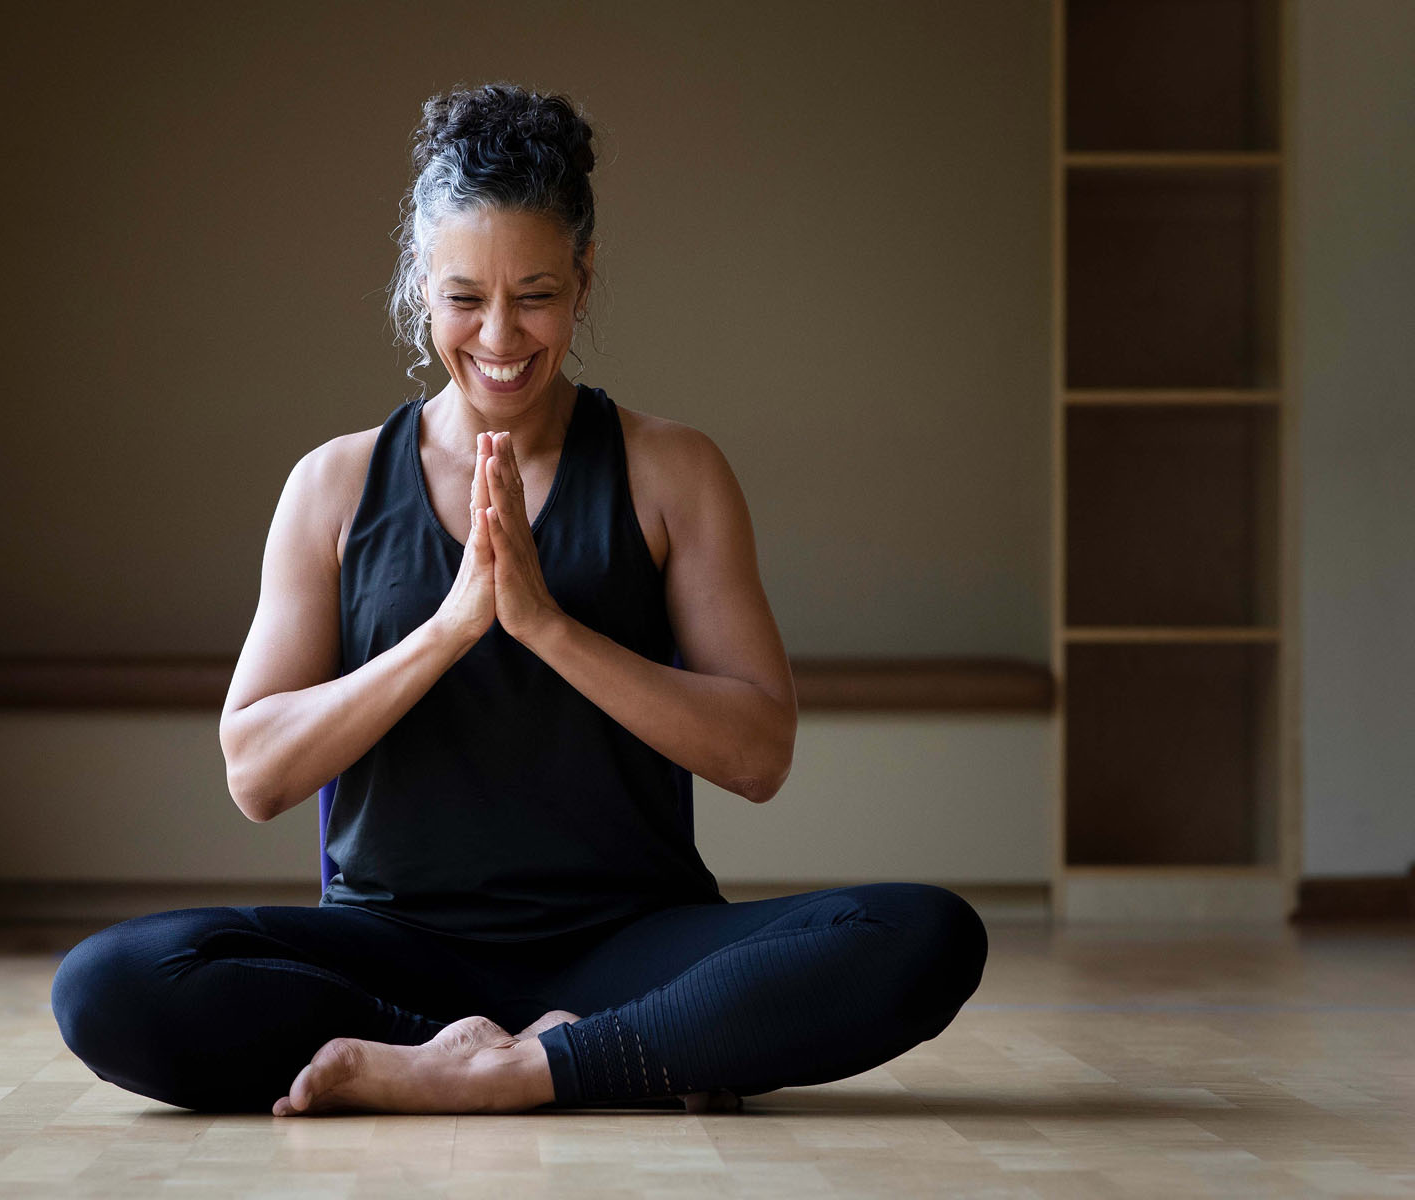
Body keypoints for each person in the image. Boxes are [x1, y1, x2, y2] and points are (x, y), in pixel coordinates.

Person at [50, 82, 987, 1116]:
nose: (500, 335)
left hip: (629, 941)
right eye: (464, 297)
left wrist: (544, 624)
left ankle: (516, 1067)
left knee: (925, 935)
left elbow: (759, 754)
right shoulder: (334, 485)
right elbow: (257, 773)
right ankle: (534, 1058)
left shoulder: (672, 471)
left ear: (585, 280)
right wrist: (451, 629)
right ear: (419, 284)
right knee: (108, 984)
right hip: (391, 948)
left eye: (535, 293)